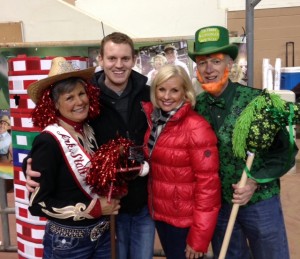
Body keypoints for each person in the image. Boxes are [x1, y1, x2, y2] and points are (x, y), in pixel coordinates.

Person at [25, 32, 156, 259]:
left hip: (117, 221)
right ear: (101, 60)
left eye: (81, 94)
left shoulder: (147, 95)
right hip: (79, 233)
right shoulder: (56, 134)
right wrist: (28, 166)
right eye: (112, 58)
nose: (79, 102)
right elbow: (45, 165)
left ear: (133, 59)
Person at [188, 25, 298, 259]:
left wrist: (254, 182)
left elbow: (286, 152)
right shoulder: (195, 107)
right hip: (220, 206)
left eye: (216, 61)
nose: (208, 69)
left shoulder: (259, 102)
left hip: (261, 203)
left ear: (230, 65)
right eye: (202, 62)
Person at [26, 57, 121, 259]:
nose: (80, 102)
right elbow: (37, 204)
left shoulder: (89, 129)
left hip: (102, 235)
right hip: (68, 244)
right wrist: (91, 210)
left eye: (82, 93)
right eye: (69, 98)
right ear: (54, 105)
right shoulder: (49, 141)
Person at [142, 64, 221, 259]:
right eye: (161, 89)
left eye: (174, 90)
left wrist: (199, 238)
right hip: (162, 214)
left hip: (185, 222)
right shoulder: (155, 120)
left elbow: (208, 186)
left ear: (185, 92)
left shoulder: (196, 127)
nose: (166, 96)